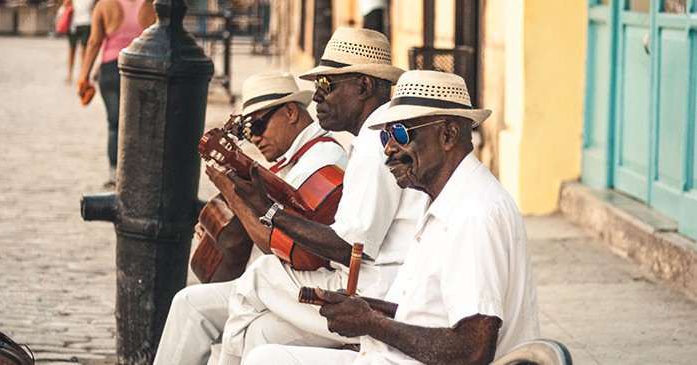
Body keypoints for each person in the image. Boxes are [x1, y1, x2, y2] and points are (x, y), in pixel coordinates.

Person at [242, 70, 541, 365]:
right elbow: (429, 312)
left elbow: (473, 349)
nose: (388, 148)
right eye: (386, 135)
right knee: (264, 352)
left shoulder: (473, 214)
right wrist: (363, 311)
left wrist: (371, 323)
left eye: (401, 133)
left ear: (448, 134)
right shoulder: (446, 200)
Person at [217, 27, 429, 365]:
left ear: (364, 86)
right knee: (260, 333)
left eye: (327, 85)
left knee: (257, 278)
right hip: (372, 281)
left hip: (376, 294)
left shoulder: (379, 145)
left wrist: (270, 211)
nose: (317, 97)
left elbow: (349, 247)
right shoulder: (372, 138)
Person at [152, 72, 349, 365]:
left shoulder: (322, 161)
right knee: (188, 303)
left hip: (307, 284)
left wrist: (230, 190)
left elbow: (277, 244)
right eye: (247, 132)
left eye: (258, 125)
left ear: (291, 112)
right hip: (279, 281)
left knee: (196, 309)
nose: (254, 138)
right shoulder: (289, 160)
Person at [77, 0, 155, 188]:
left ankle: (114, 174)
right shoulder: (150, 5)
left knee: (114, 124)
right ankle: (138, 172)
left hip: (111, 68)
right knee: (141, 123)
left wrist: (84, 76)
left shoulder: (104, 5)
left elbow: (95, 41)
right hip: (141, 67)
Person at [63, 0, 93, 83]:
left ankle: (82, 75)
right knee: (72, 50)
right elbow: (65, 3)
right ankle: (69, 74)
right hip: (73, 24)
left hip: (86, 22)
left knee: (83, 51)